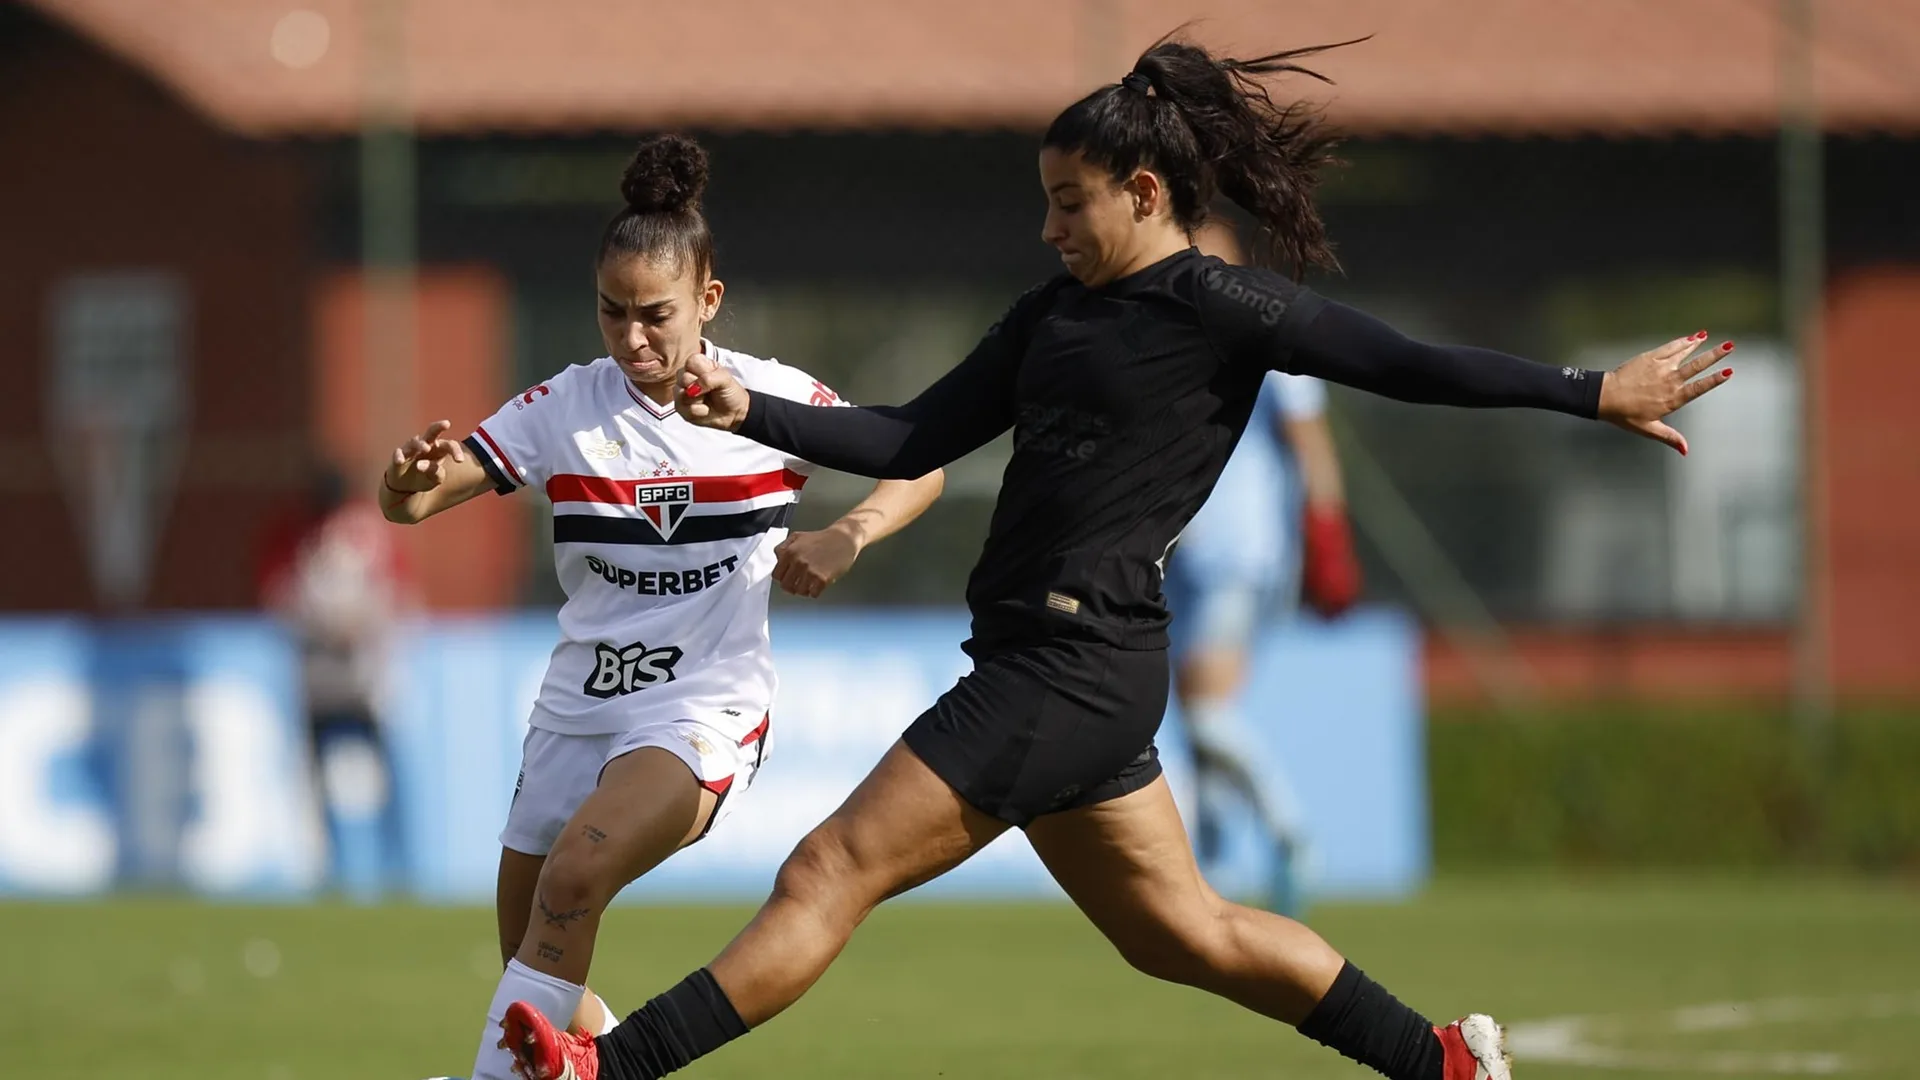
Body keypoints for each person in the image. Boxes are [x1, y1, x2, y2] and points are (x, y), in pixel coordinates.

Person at [505, 37, 1733, 1080]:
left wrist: (1589, 392)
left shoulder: (1220, 306)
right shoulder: (1051, 312)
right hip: (1075, 661)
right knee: (1183, 934)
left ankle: (601, 1066)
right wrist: (749, 409)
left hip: (1068, 665)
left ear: (1144, 191)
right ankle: (1447, 1061)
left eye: (1067, 199)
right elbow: (911, 434)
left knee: (828, 868)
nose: (1047, 225)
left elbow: (1403, 361)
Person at [376, 134, 944, 1080]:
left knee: (576, 876)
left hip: (699, 714)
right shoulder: (565, 404)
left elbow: (917, 462)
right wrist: (405, 484)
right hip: (574, 710)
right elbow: (421, 500)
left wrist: (848, 534)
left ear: (708, 303)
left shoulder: (769, 400)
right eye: (611, 312)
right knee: (534, 957)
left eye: (655, 315)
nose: (631, 338)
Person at [1165, 219, 1363, 917]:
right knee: (1197, 721)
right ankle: (1213, 872)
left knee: (1205, 712)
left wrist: (1326, 535)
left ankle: (1290, 833)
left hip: (1241, 552)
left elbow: (1311, 441)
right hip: (1191, 555)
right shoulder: (1181, 338)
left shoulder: (1265, 334)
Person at [256, 461, 414, 898]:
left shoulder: (366, 530)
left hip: (365, 674)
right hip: (320, 672)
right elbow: (276, 595)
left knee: (388, 773)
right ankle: (329, 867)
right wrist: (327, 624)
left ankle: (397, 865)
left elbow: (399, 597)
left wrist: (362, 626)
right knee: (317, 775)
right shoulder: (295, 533)